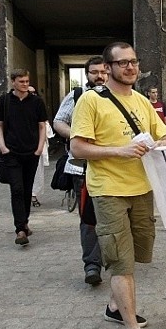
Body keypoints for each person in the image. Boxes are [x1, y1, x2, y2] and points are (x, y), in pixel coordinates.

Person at [70, 42, 166, 329]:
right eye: (123, 63)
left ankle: (115, 307)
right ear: (109, 67)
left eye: (134, 62)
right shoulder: (90, 101)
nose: (130, 67)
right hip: (108, 188)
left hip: (142, 188)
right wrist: (120, 151)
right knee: (120, 259)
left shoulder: (142, 102)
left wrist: (159, 143)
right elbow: (77, 148)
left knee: (140, 252)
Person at [53, 56, 108, 285]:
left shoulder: (119, 95)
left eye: (103, 71)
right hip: (82, 168)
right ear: (87, 75)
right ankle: (92, 265)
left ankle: (115, 258)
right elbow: (58, 122)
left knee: (116, 215)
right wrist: (78, 138)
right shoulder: (76, 96)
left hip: (114, 167)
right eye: (94, 72)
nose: (99, 76)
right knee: (89, 218)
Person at [0, 69, 48, 246]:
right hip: (12, 153)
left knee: (26, 189)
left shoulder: (36, 102)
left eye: (27, 81)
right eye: (21, 81)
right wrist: (3, 147)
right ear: (13, 82)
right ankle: (20, 229)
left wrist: (39, 149)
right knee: (16, 189)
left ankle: (24, 222)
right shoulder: (5, 101)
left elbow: (42, 126)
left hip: (31, 153)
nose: (25, 84)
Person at [28, 86, 54, 207]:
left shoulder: (38, 107)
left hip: (37, 147)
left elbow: (45, 127)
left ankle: (33, 195)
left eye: (34, 93)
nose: (32, 95)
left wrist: (39, 148)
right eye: (29, 93)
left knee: (37, 172)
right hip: (20, 147)